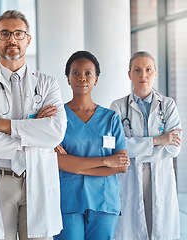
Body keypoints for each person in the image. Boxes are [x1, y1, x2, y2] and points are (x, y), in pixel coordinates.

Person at [0, 10, 67, 240]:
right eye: (5, 34)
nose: (12, 39)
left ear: (28, 39)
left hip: (37, 176)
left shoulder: (48, 84)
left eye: (19, 33)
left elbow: (55, 133)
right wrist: (32, 132)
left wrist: (3, 125)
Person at [53, 51, 130, 240]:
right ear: (68, 79)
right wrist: (106, 161)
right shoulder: (57, 118)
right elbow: (57, 162)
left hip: (104, 202)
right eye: (76, 73)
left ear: (96, 79)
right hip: (68, 201)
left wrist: (74, 165)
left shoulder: (110, 118)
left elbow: (122, 165)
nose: (82, 78)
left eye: (88, 73)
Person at [110, 51, 181, 240]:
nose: (143, 75)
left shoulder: (168, 105)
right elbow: (116, 147)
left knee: (158, 228)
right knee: (132, 229)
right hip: (129, 175)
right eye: (138, 70)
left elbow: (174, 148)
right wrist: (157, 141)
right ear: (129, 74)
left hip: (160, 174)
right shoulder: (118, 107)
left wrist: (135, 150)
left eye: (148, 70)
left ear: (155, 73)